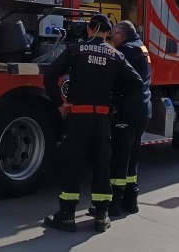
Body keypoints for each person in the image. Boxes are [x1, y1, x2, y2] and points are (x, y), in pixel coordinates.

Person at [42, 14, 144, 233]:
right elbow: (136, 82)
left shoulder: (75, 50)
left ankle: (67, 216)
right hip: (102, 121)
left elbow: (50, 74)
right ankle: (101, 216)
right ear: (107, 33)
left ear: (91, 29)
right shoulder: (115, 54)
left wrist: (60, 103)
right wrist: (116, 102)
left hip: (77, 118)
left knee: (71, 163)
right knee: (101, 165)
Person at [104, 20, 153, 216]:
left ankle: (114, 204)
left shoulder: (127, 51)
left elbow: (117, 78)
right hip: (142, 110)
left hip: (127, 110)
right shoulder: (141, 47)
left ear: (121, 35)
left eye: (113, 35)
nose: (111, 39)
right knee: (132, 157)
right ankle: (131, 201)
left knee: (119, 157)